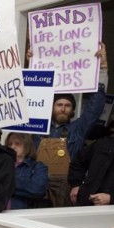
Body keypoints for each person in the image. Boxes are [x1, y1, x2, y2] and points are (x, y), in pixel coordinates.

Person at [32, 42, 108, 207]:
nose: (63, 109)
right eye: (59, 105)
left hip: (65, 188)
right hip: (36, 185)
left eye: (67, 106)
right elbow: (27, 98)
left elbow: (95, 108)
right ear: (52, 107)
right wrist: (32, 64)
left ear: (72, 110)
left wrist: (102, 70)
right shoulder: (36, 128)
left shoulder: (78, 130)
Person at [68, 126, 114, 206]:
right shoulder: (102, 143)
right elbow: (78, 162)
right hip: (85, 202)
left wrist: (111, 198)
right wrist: (75, 185)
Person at [5, 132, 49, 210]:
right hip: (0, 213)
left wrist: (6, 182)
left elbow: (37, 190)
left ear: (27, 145)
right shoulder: (2, 165)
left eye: (17, 144)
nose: (12, 147)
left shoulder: (38, 167)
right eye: (9, 144)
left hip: (24, 213)